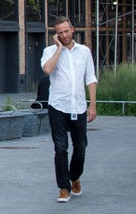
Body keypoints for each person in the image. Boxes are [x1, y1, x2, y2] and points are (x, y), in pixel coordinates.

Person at [41, 17, 97, 203]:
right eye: (60, 32)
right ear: (56, 34)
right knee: (60, 147)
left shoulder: (84, 51)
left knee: (80, 148)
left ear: (72, 29)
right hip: (57, 106)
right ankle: (64, 188)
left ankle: (75, 177)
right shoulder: (49, 51)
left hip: (78, 106)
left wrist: (93, 105)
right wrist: (58, 49)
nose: (64, 35)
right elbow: (48, 70)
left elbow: (90, 77)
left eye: (66, 31)